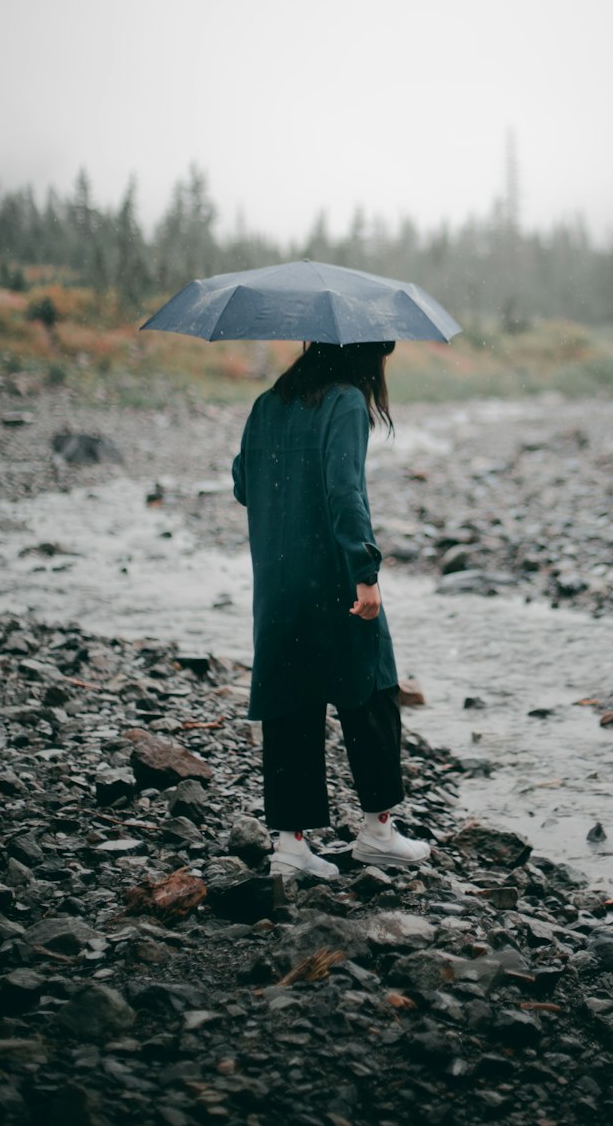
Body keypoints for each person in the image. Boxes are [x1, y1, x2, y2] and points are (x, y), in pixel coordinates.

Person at [231, 340, 430, 877]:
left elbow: (243, 485)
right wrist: (365, 573)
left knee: (289, 705)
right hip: (333, 580)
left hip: (277, 586)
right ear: (363, 354)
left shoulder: (267, 403)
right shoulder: (344, 401)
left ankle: (291, 850)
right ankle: (378, 833)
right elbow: (346, 493)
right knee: (371, 692)